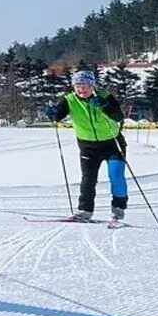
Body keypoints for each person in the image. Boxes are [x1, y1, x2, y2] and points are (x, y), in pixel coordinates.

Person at [44, 70, 128, 222]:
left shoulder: (105, 96)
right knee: (88, 179)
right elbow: (58, 115)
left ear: (92, 86)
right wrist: (52, 113)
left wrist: (104, 106)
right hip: (88, 146)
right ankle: (84, 211)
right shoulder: (69, 100)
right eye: (77, 85)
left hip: (112, 144)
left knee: (116, 175)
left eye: (85, 85)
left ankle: (118, 208)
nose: (81, 89)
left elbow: (118, 116)